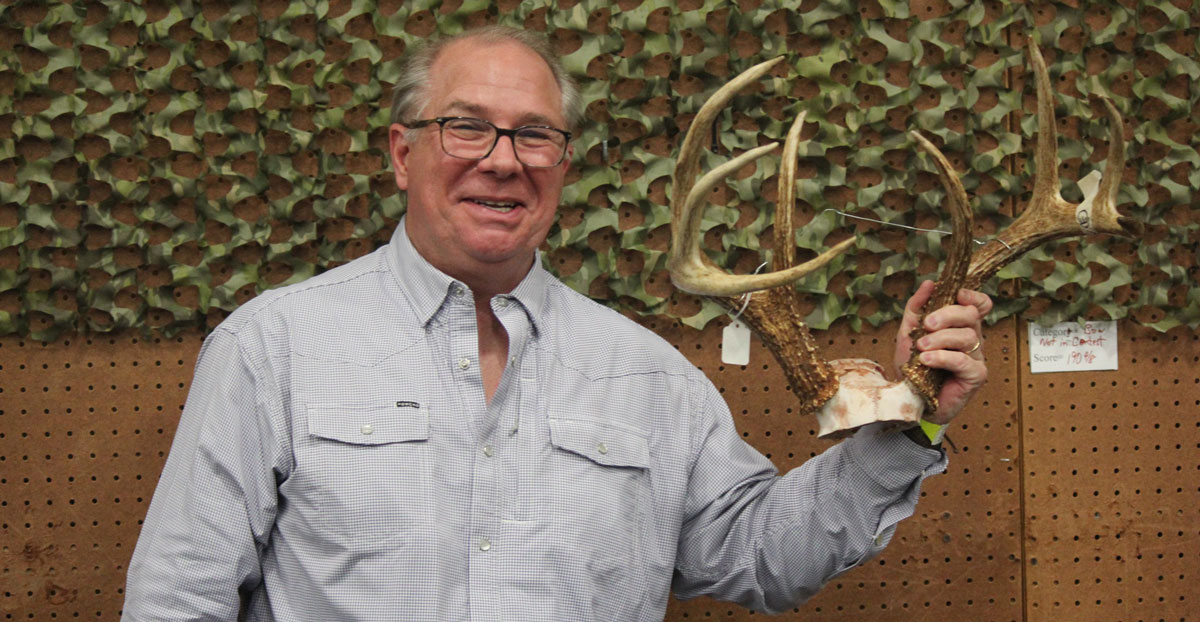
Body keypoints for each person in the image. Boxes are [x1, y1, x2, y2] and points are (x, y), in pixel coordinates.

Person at [123, 25, 990, 621]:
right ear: (401, 153)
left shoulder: (649, 375)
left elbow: (761, 557)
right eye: (466, 127)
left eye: (535, 136)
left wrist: (910, 420)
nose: (503, 162)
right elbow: (179, 598)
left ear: (564, 165)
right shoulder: (273, 348)